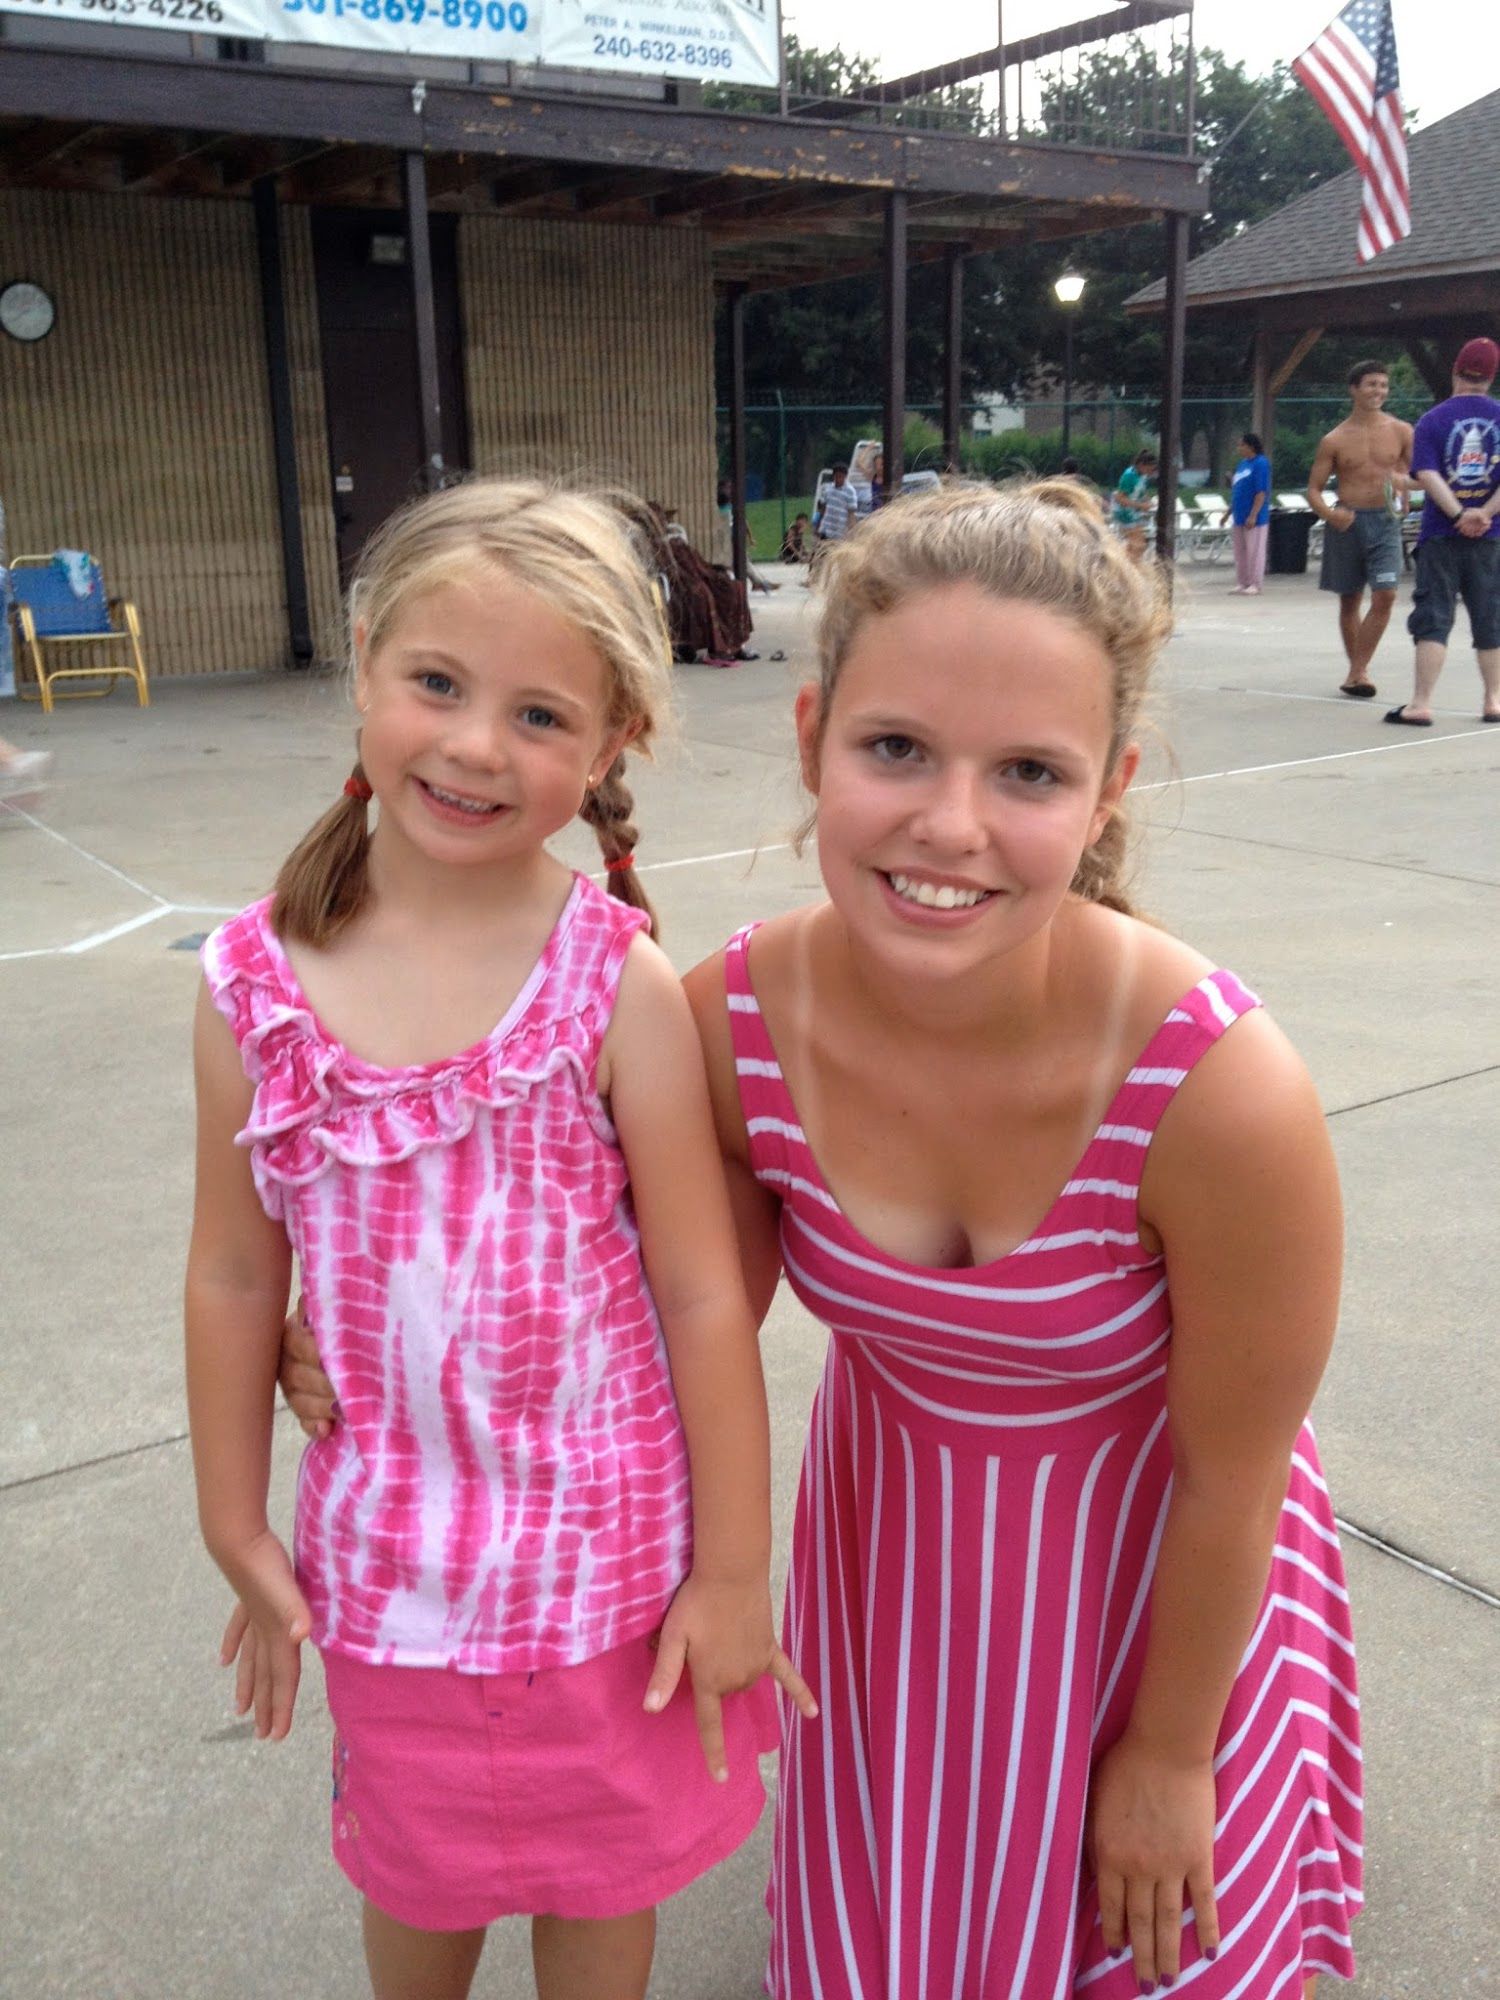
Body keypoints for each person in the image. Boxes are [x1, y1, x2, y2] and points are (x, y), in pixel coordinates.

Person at [285, 482, 1364, 1999]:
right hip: (895, 1563)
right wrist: (321, 1309)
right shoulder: (728, 1018)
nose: (950, 824)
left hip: (1161, 1572)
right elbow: (615, 1288)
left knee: (1135, 1926)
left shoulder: (1220, 1094)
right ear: (810, 741)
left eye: (1031, 773)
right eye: (897, 749)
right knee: (910, 1926)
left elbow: (1232, 1473)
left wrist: (1171, 1751)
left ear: (1109, 788)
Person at [187, 478, 813, 2000]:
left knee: (604, 1875)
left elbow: (699, 1292)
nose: (476, 745)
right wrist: (235, 1524)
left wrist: (732, 1571)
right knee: (421, 1869)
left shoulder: (614, 984)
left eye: (542, 716)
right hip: (389, 1567)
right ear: (362, 668)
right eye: (439, 684)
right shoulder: (251, 987)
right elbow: (229, 1270)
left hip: (612, 1568)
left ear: (610, 750)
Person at [1384, 335, 1500, 727]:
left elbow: (1429, 474)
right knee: (1490, 616)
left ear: (1455, 370)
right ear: (1490, 377)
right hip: (1491, 534)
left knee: (1434, 615)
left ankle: (1421, 703)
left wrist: (1457, 514)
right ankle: (1493, 700)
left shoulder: (1433, 420)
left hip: (1439, 533)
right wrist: (1482, 512)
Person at [1306, 361, 1412, 699]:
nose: (1378, 391)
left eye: (1383, 385)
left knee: (1386, 595)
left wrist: (1405, 490)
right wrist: (1329, 513)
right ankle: (1360, 673)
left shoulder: (1401, 431)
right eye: (1371, 384)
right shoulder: (1334, 439)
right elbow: (1313, 489)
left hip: (1385, 522)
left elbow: (1416, 472)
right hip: (1347, 521)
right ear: (1354, 389)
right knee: (1349, 599)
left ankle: (1357, 671)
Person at [1225, 431, 1271, 594]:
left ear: (1251, 446)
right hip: (1239, 515)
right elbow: (1237, 490)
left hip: (1255, 518)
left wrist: (1253, 515)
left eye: (1242, 445)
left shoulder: (1261, 463)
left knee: (1254, 551)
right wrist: (1228, 513)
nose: (1239, 448)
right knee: (1240, 551)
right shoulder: (1242, 464)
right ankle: (1243, 581)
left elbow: (1260, 492)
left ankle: (1255, 583)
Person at [717, 478, 778, 594]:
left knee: (742, 560)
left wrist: (750, 537)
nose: (730, 491)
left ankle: (758, 582)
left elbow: (743, 521)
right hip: (727, 536)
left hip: (732, 535)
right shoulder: (723, 505)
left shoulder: (730, 506)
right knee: (739, 561)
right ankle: (759, 583)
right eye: (728, 488)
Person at [1110, 449, 1157, 560]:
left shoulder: (1143, 476)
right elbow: (1120, 498)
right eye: (1149, 469)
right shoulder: (1129, 476)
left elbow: (1141, 492)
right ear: (1141, 465)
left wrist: (1148, 501)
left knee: (1137, 546)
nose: (1151, 472)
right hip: (1124, 513)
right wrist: (1141, 506)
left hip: (1134, 513)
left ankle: (1126, 565)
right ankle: (1125, 564)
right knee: (1138, 545)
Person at [813, 463, 857, 553]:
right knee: (821, 553)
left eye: (840, 477)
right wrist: (817, 526)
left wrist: (852, 530)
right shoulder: (828, 489)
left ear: (845, 476)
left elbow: (851, 513)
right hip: (826, 528)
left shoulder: (850, 491)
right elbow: (822, 509)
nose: (838, 479)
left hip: (839, 530)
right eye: (836, 477)